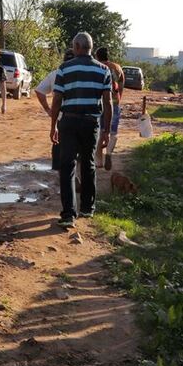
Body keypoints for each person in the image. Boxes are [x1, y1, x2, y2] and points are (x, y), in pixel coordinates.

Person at [49, 32, 112, 228]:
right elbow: (108, 103)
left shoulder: (64, 69)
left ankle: (68, 215)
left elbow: (57, 99)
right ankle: (87, 208)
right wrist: (106, 131)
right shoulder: (104, 70)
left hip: (69, 121)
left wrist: (53, 126)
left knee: (67, 166)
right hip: (91, 122)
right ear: (90, 48)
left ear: (76, 47)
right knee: (88, 163)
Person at [35, 50, 76, 170]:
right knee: (74, 147)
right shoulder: (80, 73)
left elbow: (39, 90)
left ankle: (57, 170)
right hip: (78, 115)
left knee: (58, 143)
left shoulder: (55, 73)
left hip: (60, 116)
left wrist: (48, 109)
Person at [95, 47, 125, 170]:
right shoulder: (117, 67)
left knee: (99, 131)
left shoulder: (96, 67)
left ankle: (98, 160)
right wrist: (119, 98)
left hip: (99, 102)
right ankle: (108, 154)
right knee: (113, 132)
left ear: (97, 56)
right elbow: (122, 84)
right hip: (114, 102)